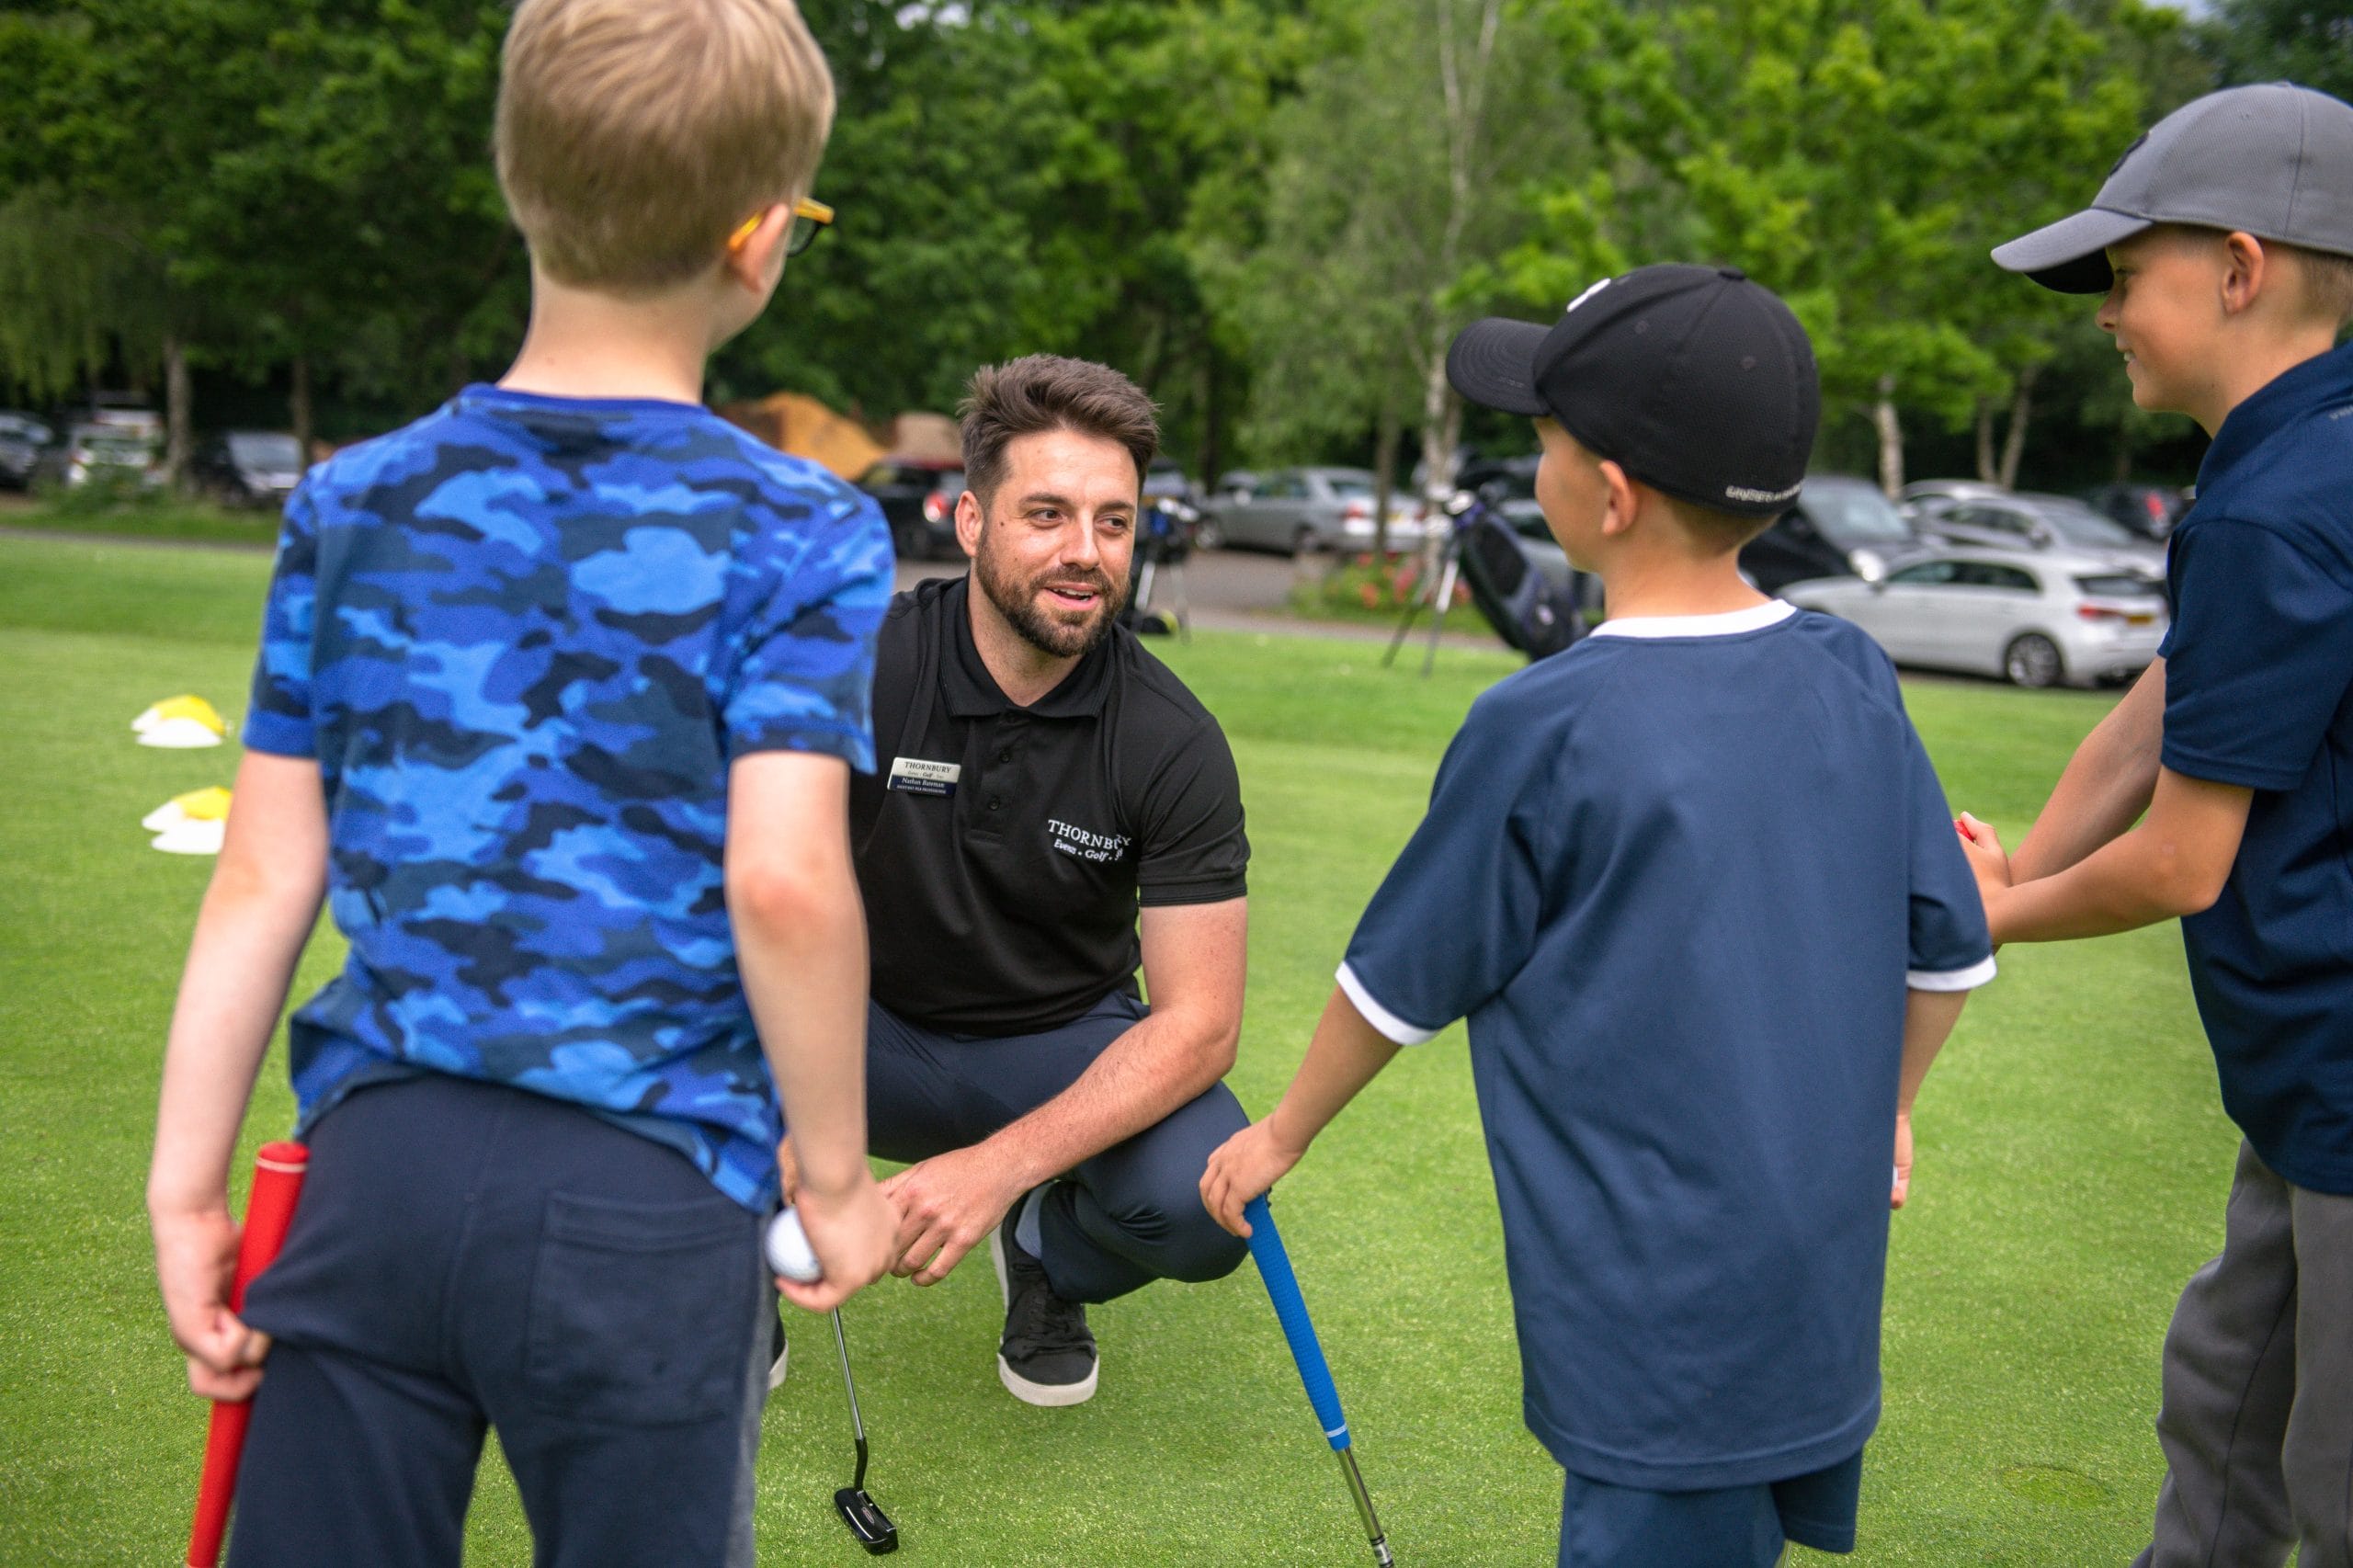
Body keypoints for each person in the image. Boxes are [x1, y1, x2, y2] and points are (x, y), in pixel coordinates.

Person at [143, 2, 899, 1562]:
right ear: (760, 241)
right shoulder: (802, 529)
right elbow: (783, 880)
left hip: (372, 1176)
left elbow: (265, 875)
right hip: (647, 1200)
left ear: (516, 177)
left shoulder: (352, 500)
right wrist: (836, 1176)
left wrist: (183, 1183)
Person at [1200, 265, 1995, 1568]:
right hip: (1817, 1284)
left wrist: (1281, 1132)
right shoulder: (1851, 669)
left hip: (1652, 1314)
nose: (1535, 463)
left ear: (1611, 494)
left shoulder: (1542, 723)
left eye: (1544, 438)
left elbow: (1395, 982)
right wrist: (1885, 1109)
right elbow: (1950, 957)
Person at [1964, 83, 2353, 1568]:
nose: (2109, 314)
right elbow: (2157, 712)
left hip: (2340, 1070)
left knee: (2334, 1482)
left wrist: (1979, 918)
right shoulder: (2286, 463)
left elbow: (2187, 859)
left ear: (2242, 271)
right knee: (2227, 1397)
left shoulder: (2281, 506)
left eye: (2130, 278)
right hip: (2307, 1087)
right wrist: (2026, 860)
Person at [784, 353, 1253, 1407]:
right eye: (1045, 513)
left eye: (1113, 521)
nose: (1083, 553)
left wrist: (999, 1170)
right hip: (860, 1031)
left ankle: (1046, 1246)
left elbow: (1201, 1026)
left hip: (1054, 1046)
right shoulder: (859, 662)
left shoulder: (1172, 739)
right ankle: (738, 1269)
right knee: (662, 1031)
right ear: (967, 519)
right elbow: (727, 887)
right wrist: (755, 1088)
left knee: (1207, 1195)